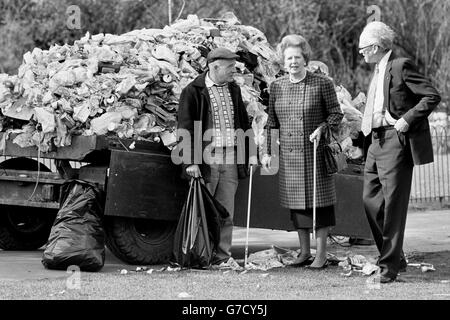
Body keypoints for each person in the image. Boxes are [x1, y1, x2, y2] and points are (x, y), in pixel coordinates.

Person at [358, 22, 441, 283]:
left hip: (396, 140)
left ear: (374, 46)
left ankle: (389, 268)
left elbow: (431, 96)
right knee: (370, 202)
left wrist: (407, 118)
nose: (360, 54)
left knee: (393, 207)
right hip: (375, 142)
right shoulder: (377, 70)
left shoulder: (400, 64)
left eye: (362, 49)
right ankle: (395, 256)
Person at [261, 35, 343, 269]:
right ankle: (304, 252)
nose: (293, 62)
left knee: (321, 204)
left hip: (315, 153)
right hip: (289, 156)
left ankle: (322, 254)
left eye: (297, 57)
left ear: (305, 59)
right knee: (298, 206)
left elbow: (336, 114)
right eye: (289, 58)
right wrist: (267, 152)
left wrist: (322, 128)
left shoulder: (322, 83)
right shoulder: (277, 87)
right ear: (283, 61)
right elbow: (271, 123)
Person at [177, 47, 253, 266]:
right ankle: (201, 256)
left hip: (230, 159)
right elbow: (185, 129)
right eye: (230, 67)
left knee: (226, 213)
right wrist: (191, 161)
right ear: (215, 66)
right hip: (206, 160)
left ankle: (222, 257)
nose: (234, 71)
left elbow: (244, 123)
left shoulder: (234, 90)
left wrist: (250, 155)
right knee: (203, 212)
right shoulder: (193, 90)